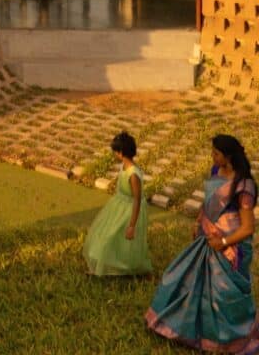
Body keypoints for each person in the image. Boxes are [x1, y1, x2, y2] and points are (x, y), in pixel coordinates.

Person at [146, 134, 259, 353]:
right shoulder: (216, 172)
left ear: (227, 157)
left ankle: (229, 338)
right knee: (184, 279)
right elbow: (209, 200)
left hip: (230, 247)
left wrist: (223, 241)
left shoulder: (244, 186)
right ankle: (187, 329)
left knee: (224, 294)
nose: (212, 156)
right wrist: (199, 220)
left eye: (216, 153)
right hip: (207, 238)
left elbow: (248, 228)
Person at [83, 130, 152, 276]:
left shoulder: (133, 174)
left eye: (115, 152)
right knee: (109, 235)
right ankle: (106, 264)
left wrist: (132, 225)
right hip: (118, 205)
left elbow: (137, 200)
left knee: (115, 237)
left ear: (121, 153)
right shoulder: (124, 166)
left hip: (129, 209)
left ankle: (126, 267)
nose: (114, 155)